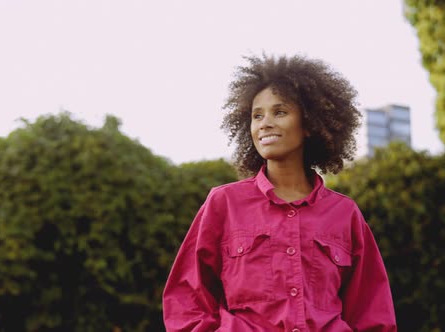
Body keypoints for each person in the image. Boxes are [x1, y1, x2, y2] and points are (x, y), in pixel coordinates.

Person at [162, 54, 397, 331]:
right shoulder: (223, 204)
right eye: (257, 115)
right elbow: (186, 301)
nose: (265, 123)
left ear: (309, 123)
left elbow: (372, 314)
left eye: (280, 112)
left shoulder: (345, 214)